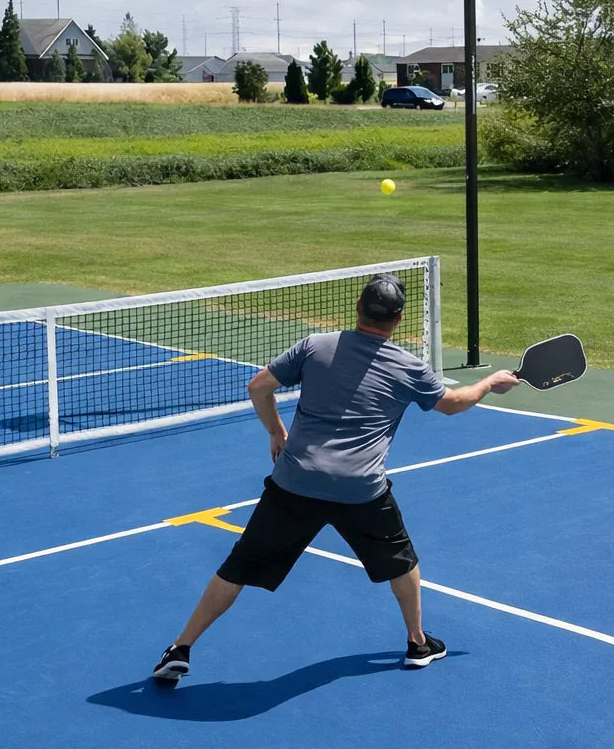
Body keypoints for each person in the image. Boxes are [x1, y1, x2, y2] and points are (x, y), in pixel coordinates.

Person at [152, 274, 521, 681]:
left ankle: (181, 647)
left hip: (295, 482)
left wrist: (276, 431)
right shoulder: (408, 366)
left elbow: (258, 386)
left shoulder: (316, 346)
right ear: (397, 321)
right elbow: (453, 404)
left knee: (237, 567)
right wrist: (489, 382)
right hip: (360, 491)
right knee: (403, 562)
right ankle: (418, 643)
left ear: (359, 310)